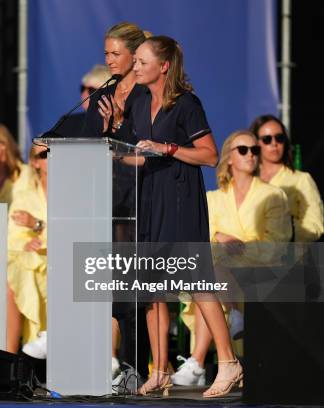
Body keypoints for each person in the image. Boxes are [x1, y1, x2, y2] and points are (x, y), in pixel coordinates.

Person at [129, 35, 241, 398]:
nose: (135, 67)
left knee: (197, 281)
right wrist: (113, 156)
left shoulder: (187, 104)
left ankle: (228, 363)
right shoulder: (141, 101)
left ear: (163, 66)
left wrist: (169, 147)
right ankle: (159, 370)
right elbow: (144, 156)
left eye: (142, 61)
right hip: (151, 199)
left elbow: (209, 155)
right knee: (152, 287)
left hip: (180, 199)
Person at [172, 130, 291, 387]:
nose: (251, 155)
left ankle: (197, 362)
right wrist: (219, 238)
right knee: (207, 271)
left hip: (260, 270)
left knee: (208, 275)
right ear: (228, 158)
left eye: (254, 150)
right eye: (243, 150)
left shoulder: (274, 195)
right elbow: (202, 237)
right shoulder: (213, 199)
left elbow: (278, 243)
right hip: (220, 269)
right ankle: (235, 314)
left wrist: (235, 245)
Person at [84, 21, 152, 384]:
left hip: (142, 199)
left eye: (116, 54)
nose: (109, 60)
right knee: (107, 287)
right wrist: (106, 131)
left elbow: (147, 148)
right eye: (105, 53)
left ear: (134, 54)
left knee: (134, 289)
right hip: (107, 201)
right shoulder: (100, 96)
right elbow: (91, 147)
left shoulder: (148, 94)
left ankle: (138, 366)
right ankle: (105, 361)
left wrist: (119, 128)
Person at [249, 114, 323, 242]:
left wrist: (285, 229)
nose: (274, 143)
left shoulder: (301, 179)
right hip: (247, 255)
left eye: (279, 138)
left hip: (287, 257)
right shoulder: (247, 179)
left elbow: (315, 226)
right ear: (256, 143)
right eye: (267, 139)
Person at [5, 143, 48, 355]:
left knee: (16, 272)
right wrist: (25, 243)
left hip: (65, 259)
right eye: (45, 154)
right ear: (35, 162)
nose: (52, 157)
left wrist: (37, 225)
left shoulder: (73, 191)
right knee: (13, 271)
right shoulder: (23, 196)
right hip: (32, 259)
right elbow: (12, 236)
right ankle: (9, 358)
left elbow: (77, 229)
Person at [56, 64, 111, 137]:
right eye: (83, 88)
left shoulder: (118, 124)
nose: (84, 94)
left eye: (91, 90)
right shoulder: (68, 122)